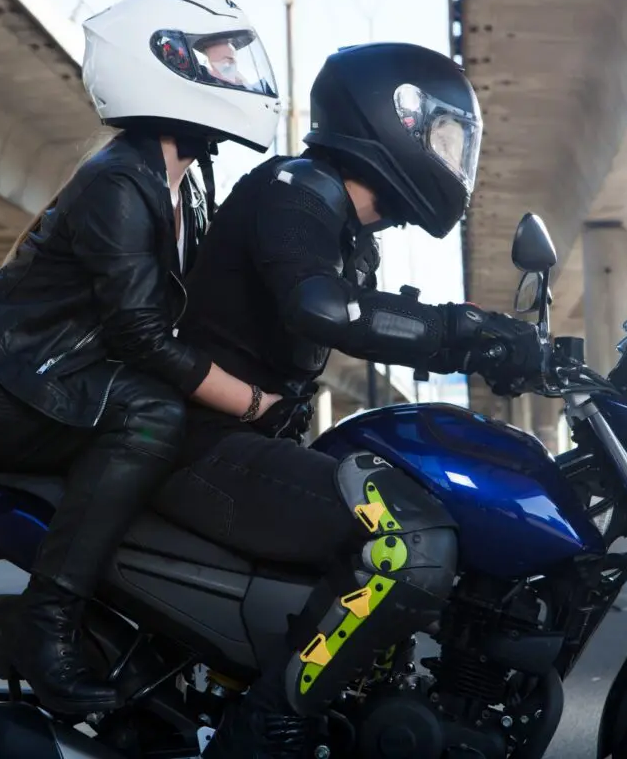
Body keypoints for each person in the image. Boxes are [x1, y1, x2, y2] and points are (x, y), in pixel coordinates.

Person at [154, 42, 544, 757]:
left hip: (248, 445)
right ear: (392, 118)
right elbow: (325, 307)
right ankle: (268, 725)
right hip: (204, 448)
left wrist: (492, 345)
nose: (453, 160)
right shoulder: (294, 189)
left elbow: (366, 315)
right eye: (445, 139)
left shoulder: (347, 230)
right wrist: (463, 330)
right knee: (410, 539)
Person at [0, 0, 282, 715]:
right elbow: (142, 336)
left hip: (39, 379)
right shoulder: (119, 182)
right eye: (220, 58)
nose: (237, 72)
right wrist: (252, 401)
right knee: (152, 414)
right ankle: (43, 627)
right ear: (166, 64)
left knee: (180, 425)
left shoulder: (185, 184)